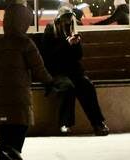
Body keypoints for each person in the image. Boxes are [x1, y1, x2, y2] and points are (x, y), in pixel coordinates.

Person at [0, 4, 55, 160]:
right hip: (19, 92)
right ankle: (14, 149)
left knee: (4, 124)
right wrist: (49, 81)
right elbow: (38, 67)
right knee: (22, 121)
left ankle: (3, 157)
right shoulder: (25, 43)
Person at [40, 7, 109, 135]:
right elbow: (47, 55)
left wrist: (76, 44)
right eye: (65, 18)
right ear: (59, 19)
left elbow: (78, 56)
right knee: (67, 87)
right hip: (56, 72)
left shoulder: (71, 30)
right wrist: (67, 44)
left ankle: (97, 123)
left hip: (73, 72)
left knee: (87, 86)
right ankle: (64, 123)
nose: (67, 21)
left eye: (69, 18)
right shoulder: (51, 30)